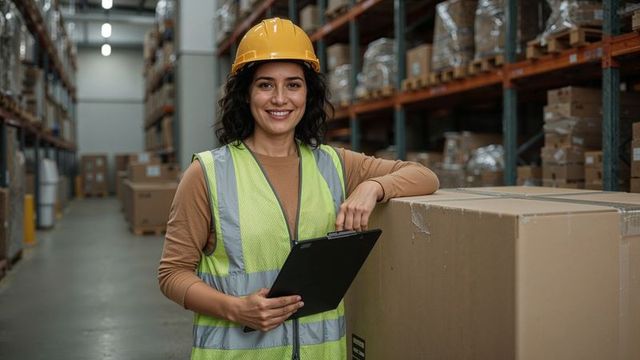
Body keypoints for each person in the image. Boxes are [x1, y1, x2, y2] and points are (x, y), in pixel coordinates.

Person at [158, 17, 439, 360]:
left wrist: (372, 187)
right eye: (265, 85)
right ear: (246, 94)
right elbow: (172, 274)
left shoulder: (334, 164)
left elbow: (424, 176)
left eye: (293, 85)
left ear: (309, 92)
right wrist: (236, 309)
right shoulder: (208, 174)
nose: (280, 98)